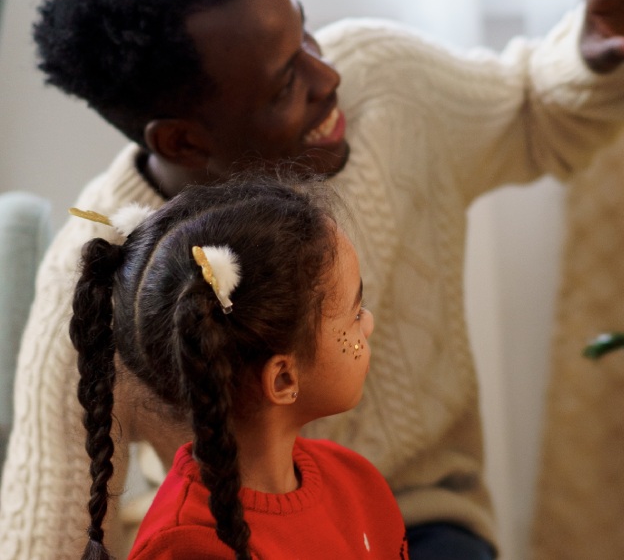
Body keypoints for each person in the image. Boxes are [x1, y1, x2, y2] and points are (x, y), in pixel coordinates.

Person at [0, 0, 624, 560]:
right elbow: (46, 522)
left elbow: (531, 107)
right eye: (281, 88)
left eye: (305, 32)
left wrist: (595, 52)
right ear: (183, 138)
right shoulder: (105, 268)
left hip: (420, 515)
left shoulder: (380, 82)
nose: (329, 76)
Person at [68, 172, 407, 559]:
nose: (369, 323)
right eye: (354, 312)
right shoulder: (188, 547)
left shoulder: (357, 482)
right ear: (282, 378)